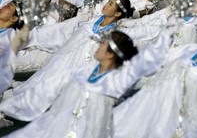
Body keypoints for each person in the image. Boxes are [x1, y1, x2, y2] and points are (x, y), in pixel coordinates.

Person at [2, 31, 170, 138]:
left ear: (111, 54)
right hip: (59, 127)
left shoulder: (117, 80)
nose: (98, 46)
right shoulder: (84, 71)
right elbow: (47, 88)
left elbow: (148, 60)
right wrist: (9, 105)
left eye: (103, 44)